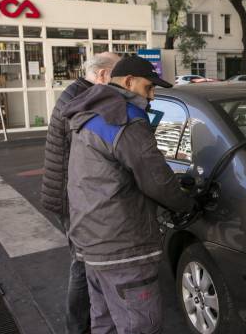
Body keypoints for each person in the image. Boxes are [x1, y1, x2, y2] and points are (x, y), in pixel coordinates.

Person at [62, 55, 199, 333]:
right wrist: (187, 203)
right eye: (148, 88)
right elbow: (157, 181)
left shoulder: (90, 112)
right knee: (140, 326)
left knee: (106, 322)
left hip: (91, 239)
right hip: (123, 245)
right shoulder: (124, 118)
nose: (151, 97)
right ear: (128, 82)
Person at [40, 51, 120, 334]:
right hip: (71, 196)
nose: (121, 83)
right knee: (82, 263)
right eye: (117, 75)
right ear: (101, 76)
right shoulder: (81, 100)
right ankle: (77, 327)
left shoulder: (77, 93)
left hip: (67, 192)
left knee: (83, 262)